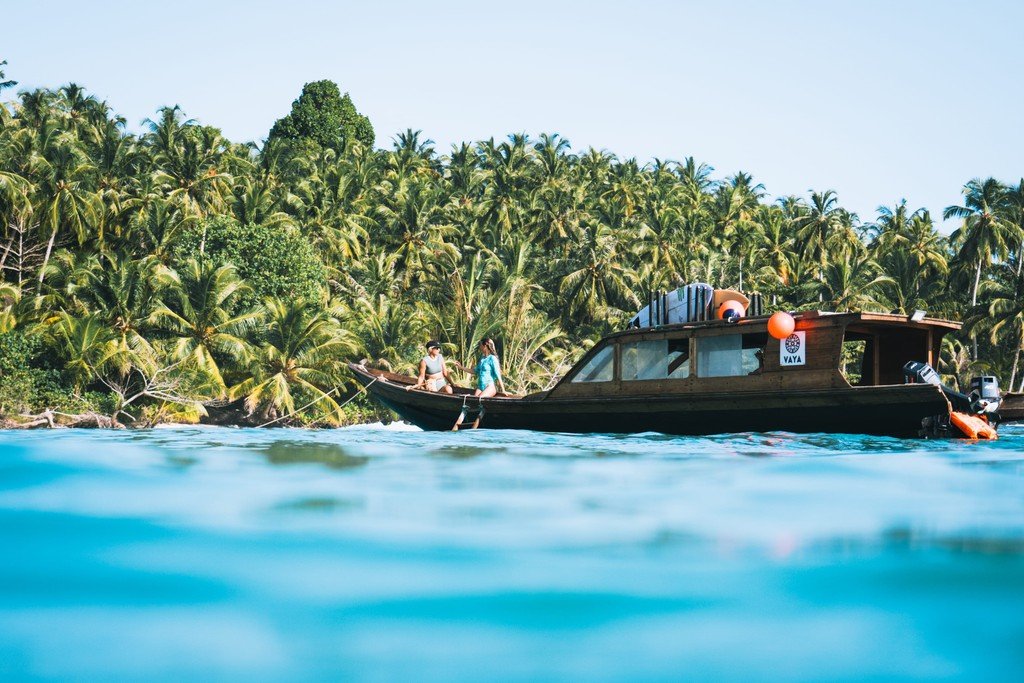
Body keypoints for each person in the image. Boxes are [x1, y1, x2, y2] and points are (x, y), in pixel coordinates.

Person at [451, 337, 506, 430]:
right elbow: (474, 371)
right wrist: (461, 368)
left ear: (485, 346)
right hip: (480, 387)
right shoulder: (482, 359)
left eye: (480, 345)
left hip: (489, 386)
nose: (479, 347)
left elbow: (498, 374)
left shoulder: (492, 358)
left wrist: (503, 390)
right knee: (473, 403)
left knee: (479, 401)